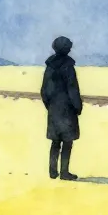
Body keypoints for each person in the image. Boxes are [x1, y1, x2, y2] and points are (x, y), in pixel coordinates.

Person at [40, 36, 83, 180]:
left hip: (54, 109)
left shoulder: (50, 67)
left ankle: (53, 172)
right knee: (67, 142)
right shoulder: (68, 66)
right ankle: (64, 172)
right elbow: (73, 90)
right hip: (67, 110)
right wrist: (77, 107)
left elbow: (44, 91)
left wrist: (50, 105)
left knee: (55, 142)